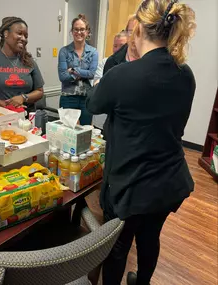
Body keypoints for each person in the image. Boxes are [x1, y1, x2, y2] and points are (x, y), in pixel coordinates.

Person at [86, 0, 196, 284]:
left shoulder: (121, 75)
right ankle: (141, 282)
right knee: (150, 239)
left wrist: (125, 52)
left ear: (138, 31)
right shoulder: (186, 75)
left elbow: (93, 103)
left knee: (119, 246)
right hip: (169, 181)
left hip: (131, 184)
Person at [0, 17, 44, 113]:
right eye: (19, 33)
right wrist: (3, 103)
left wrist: (23, 97)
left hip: (26, 117)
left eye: (26, 36)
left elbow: (39, 91)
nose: (23, 38)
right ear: (6, 34)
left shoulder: (29, 61)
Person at [58, 14, 98, 125]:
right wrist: (81, 74)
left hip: (86, 97)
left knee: (85, 132)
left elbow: (91, 74)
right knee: (67, 131)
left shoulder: (93, 52)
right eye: (76, 29)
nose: (79, 32)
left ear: (87, 32)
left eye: (82, 29)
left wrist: (73, 70)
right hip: (68, 97)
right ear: (72, 31)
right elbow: (62, 77)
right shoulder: (64, 51)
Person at [93, 30, 128, 130]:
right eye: (115, 46)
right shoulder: (105, 62)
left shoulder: (133, 66)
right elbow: (98, 87)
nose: (117, 49)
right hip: (101, 120)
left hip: (120, 122)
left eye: (121, 46)